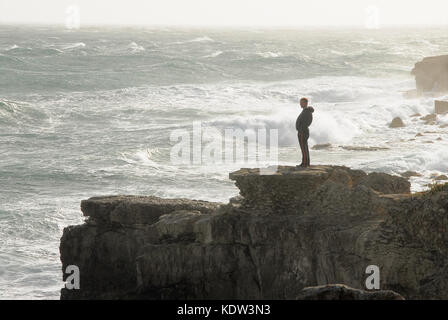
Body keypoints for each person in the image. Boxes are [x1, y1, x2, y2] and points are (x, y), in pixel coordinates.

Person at [295, 97, 314, 167]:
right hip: (303, 131)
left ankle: (305, 163)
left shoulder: (306, 112)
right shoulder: (305, 111)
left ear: (305, 103)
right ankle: (305, 162)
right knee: (304, 148)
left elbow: (306, 122)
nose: (300, 104)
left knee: (304, 148)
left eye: (301, 102)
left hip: (303, 132)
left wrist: (301, 130)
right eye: (300, 102)